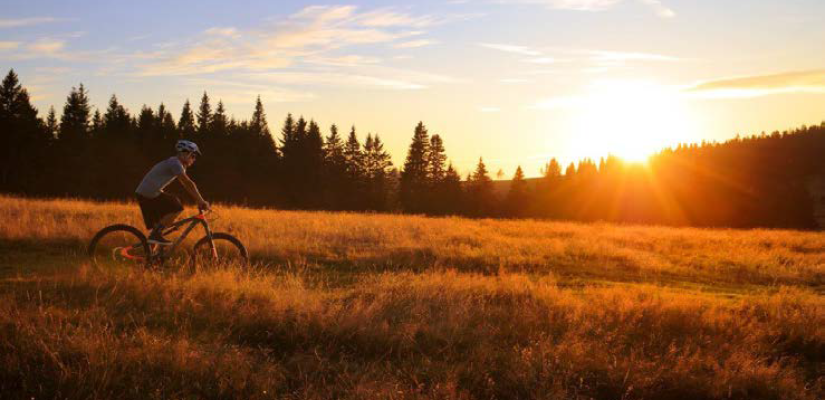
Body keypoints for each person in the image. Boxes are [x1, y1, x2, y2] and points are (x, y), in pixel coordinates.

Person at [135, 140, 210, 245]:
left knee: (160, 226)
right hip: (148, 193)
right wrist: (201, 201)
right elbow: (188, 183)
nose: (194, 159)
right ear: (185, 153)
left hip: (148, 193)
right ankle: (156, 234)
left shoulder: (177, 164)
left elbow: (187, 185)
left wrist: (198, 200)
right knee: (176, 206)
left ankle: (151, 257)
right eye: (193, 156)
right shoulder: (175, 163)